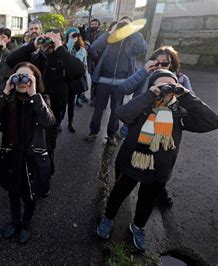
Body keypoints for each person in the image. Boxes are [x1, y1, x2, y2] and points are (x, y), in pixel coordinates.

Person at [96, 70, 218, 251]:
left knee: (147, 201)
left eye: (171, 86)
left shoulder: (179, 114)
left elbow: (212, 121)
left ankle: (137, 227)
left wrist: (186, 96)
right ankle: (108, 218)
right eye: (161, 85)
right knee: (118, 193)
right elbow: (122, 114)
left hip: (160, 168)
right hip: (132, 162)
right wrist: (150, 94)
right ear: (153, 87)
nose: (167, 90)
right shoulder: (143, 106)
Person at [0, 62, 55, 244]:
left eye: (27, 77)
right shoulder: (8, 99)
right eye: (18, 76)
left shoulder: (42, 98)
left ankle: (26, 223)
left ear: (35, 80)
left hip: (32, 158)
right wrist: (5, 91)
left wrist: (34, 95)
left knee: (30, 194)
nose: (22, 81)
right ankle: (15, 221)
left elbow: (48, 122)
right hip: (12, 155)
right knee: (13, 192)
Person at [117, 46, 193, 207]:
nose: (159, 66)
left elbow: (189, 108)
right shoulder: (145, 74)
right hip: (135, 131)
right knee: (125, 172)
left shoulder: (180, 79)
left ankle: (158, 192)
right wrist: (144, 71)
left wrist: (177, 92)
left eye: (164, 63)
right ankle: (115, 203)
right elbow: (124, 89)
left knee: (158, 170)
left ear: (172, 64)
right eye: (156, 62)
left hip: (163, 135)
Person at [6, 24, 85, 158]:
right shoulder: (36, 56)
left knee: (48, 144)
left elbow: (79, 71)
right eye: (47, 39)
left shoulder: (64, 57)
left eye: (53, 39)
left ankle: (45, 170)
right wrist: (33, 45)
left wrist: (59, 48)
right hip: (32, 105)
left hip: (54, 109)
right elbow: (10, 60)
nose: (50, 42)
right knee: (28, 141)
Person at [85, 17, 148, 146]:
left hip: (121, 83)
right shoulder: (110, 38)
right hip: (104, 80)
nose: (123, 26)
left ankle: (111, 135)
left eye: (127, 24)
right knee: (98, 109)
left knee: (116, 111)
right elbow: (94, 47)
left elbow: (143, 48)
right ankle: (93, 131)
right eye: (121, 23)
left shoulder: (132, 41)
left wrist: (133, 30)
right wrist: (110, 32)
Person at [64, 27, 89, 133]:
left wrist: (85, 78)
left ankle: (70, 122)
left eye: (75, 35)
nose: (74, 37)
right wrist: (69, 42)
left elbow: (77, 64)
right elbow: (64, 56)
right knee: (61, 104)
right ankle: (59, 122)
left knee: (71, 104)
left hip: (74, 81)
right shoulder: (64, 48)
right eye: (71, 35)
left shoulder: (82, 49)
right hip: (64, 80)